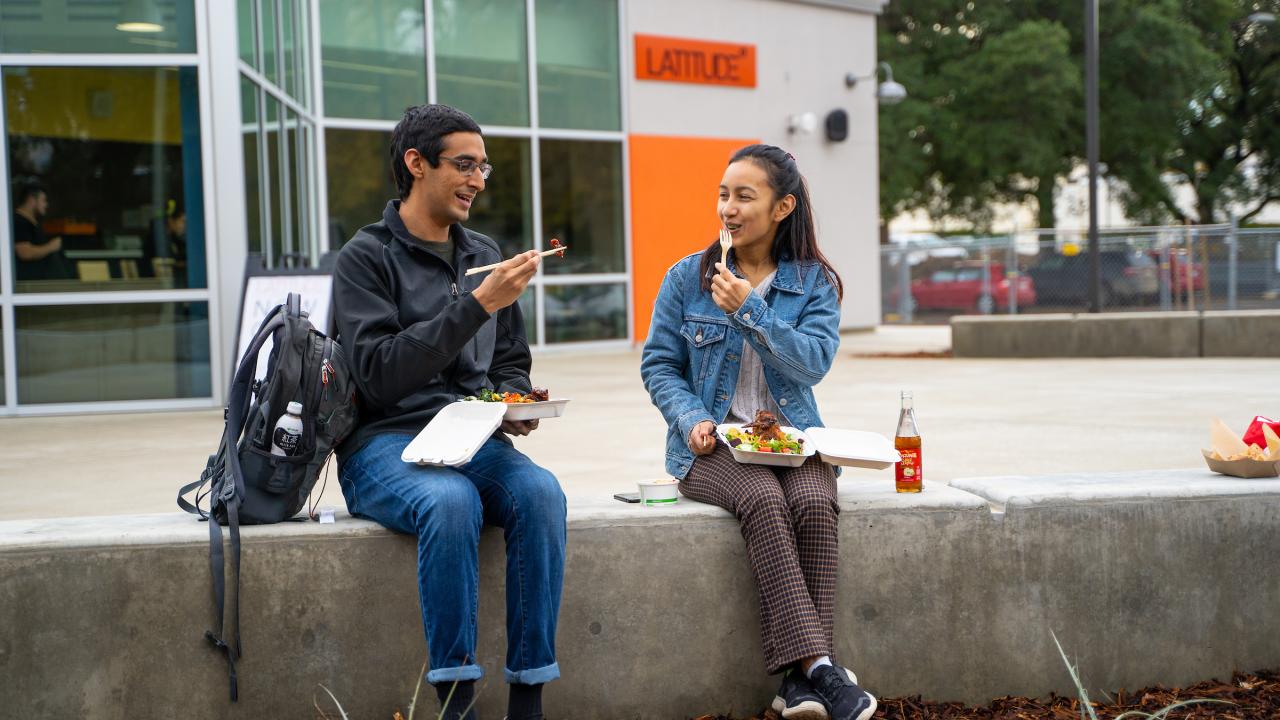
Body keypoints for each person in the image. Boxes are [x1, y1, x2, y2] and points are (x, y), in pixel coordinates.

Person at [332, 104, 566, 720]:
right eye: (464, 165)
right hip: (385, 445)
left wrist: (512, 404)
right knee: (449, 502)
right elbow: (379, 376)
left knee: (541, 493)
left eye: (483, 167)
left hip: (473, 435)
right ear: (416, 164)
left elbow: (511, 359)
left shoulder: (482, 252)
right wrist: (475, 306)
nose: (478, 180)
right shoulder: (366, 258)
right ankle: (456, 702)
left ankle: (529, 698)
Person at [640, 145, 876, 720]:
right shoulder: (687, 278)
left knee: (818, 501)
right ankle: (821, 669)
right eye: (723, 194)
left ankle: (797, 685)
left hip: (792, 439)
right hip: (714, 445)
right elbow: (659, 365)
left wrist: (752, 311)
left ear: (782, 207)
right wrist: (693, 418)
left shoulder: (812, 283)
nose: (728, 207)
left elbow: (813, 363)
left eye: (744, 196)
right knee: (763, 500)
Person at [12, 178, 72, 281]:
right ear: (31, 200)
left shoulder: (32, 223)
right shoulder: (19, 222)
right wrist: (51, 246)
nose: (46, 205)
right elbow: (24, 252)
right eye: (43, 200)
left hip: (41, 287)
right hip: (29, 289)